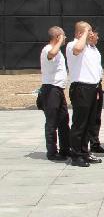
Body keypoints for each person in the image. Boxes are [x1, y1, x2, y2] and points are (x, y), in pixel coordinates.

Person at [65, 22, 103, 167]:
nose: (91, 33)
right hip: (81, 87)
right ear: (80, 33)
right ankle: (76, 155)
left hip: (93, 87)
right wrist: (85, 33)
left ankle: (84, 151)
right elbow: (77, 50)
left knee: (89, 123)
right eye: (89, 31)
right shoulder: (73, 44)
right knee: (80, 123)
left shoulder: (91, 48)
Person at [39, 26, 70, 161]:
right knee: (52, 122)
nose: (65, 38)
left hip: (58, 89)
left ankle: (65, 149)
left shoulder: (59, 51)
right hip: (50, 89)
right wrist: (60, 41)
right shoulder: (48, 49)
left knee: (64, 120)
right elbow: (51, 54)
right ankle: (52, 152)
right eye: (63, 36)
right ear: (57, 37)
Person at [85, 28, 104, 154]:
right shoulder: (84, 48)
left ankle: (95, 142)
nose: (98, 38)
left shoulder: (95, 49)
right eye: (96, 35)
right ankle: (85, 145)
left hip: (97, 84)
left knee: (96, 116)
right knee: (88, 117)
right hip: (88, 86)